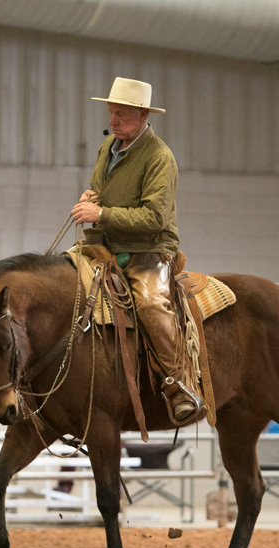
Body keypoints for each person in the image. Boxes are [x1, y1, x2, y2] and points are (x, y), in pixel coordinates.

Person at [70, 76, 200, 425]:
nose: (112, 122)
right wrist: (91, 197)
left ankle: (178, 385)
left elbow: (154, 218)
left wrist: (101, 214)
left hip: (149, 251)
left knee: (151, 304)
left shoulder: (160, 158)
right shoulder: (109, 148)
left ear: (143, 115)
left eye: (121, 115)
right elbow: (99, 187)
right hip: (106, 245)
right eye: (112, 114)